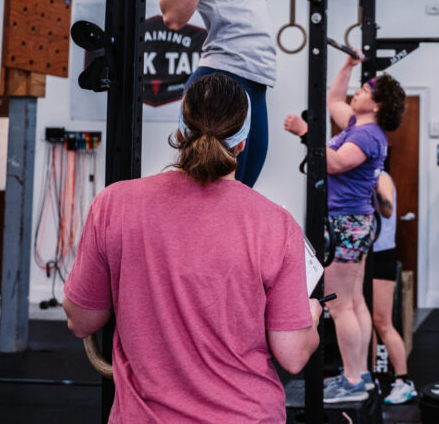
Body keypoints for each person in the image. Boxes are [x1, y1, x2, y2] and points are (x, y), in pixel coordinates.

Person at [62, 74, 321, 422]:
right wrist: (313, 313)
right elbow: (292, 355)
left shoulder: (114, 204)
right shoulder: (276, 224)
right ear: (243, 143)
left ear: (182, 131)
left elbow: (81, 321)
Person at [283, 57, 407, 404]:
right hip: (353, 222)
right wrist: (349, 66)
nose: (358, 91)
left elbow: (335, 163)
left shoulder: (367, 134)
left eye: (366, 89)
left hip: (346, 223)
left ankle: (352, 379)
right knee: (354, 301)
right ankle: (360, 374)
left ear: (378, 104)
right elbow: (334, 101)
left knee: (340, 307)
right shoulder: (357, 124)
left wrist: (305, 132)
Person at [157, 0, 284, 188]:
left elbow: (236, 8)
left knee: (241, 191)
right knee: (214, 192)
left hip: (256, 80)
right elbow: (173, 15)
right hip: (224, 78)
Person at [370, 171, 416, 405]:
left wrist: (371, 185)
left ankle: (403, 382)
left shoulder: (382, 177)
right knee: (364, 322)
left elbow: (387, 210)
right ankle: (369, 378)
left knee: (382, 321)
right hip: (360, 255)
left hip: (381, 255)